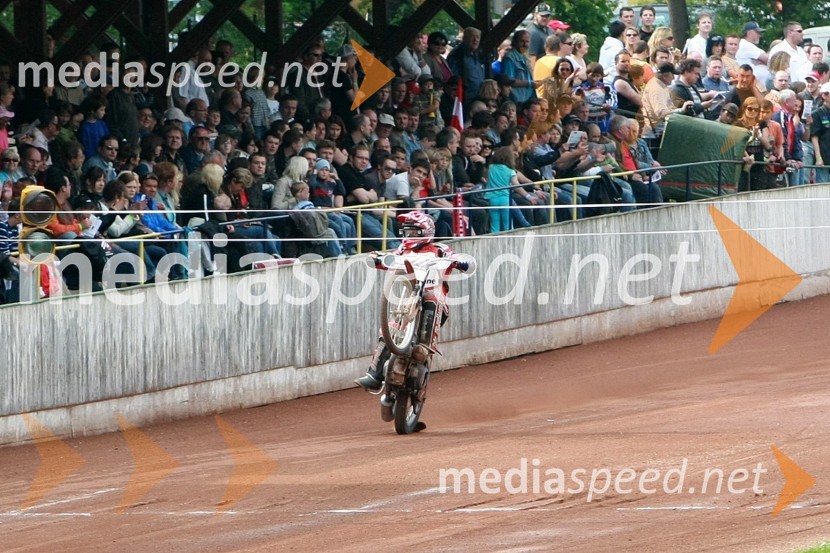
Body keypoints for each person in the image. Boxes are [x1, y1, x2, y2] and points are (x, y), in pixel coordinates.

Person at [355, 211, 474, 391]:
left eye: (413, 232)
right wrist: (375, 257)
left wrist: (460, 262)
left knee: (431, 297)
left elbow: (465, 261)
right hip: (408, 303)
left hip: (435, 302)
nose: (408, 236)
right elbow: (385, 257)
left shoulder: (440, 249)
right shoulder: (403, 251)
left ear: (425, 233)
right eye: (406, 232)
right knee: (390, 328)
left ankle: (425, 345)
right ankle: (374, 374)